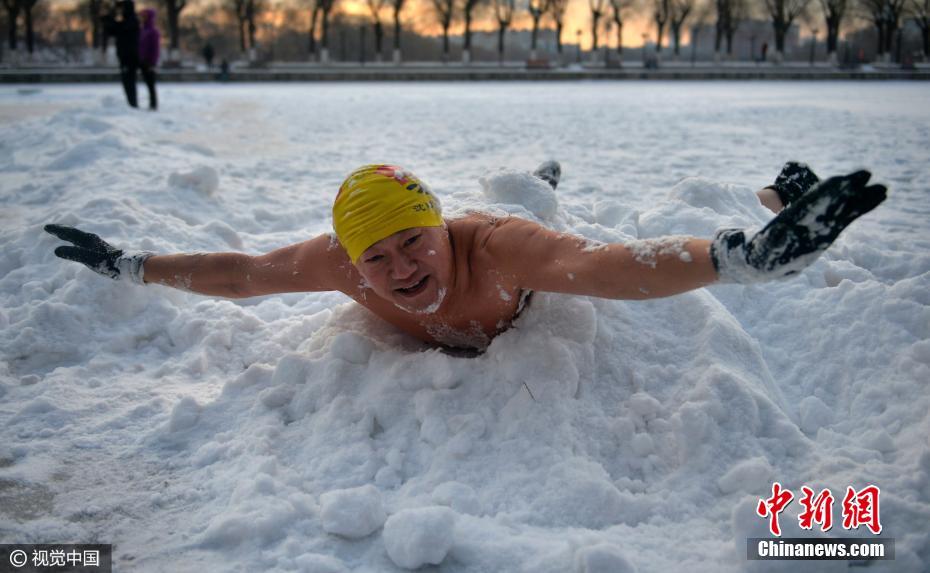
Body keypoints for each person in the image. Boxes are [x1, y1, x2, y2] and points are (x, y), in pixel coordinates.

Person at [44, 162, 886, 352]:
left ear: (438, 230)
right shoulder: (340, 261)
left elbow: (601, 268)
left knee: (561, 215)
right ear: (351, 261)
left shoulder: (493, 249)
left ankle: (772, 199)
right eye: (378, 259)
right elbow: (243, 273)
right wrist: (132, 264)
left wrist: (738, 259)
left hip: (529, 232)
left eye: (413, 241)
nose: (402, 268)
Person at [104, 0, 141, 108]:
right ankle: (131, 103)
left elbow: (118, 29)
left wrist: (111, 16)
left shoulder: (132, 21)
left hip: (129, 57)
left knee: (129, 81)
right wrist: (109, 16)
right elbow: (112, 30)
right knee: (127, 81)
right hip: (125, 56)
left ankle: (133, 104)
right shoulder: (127, 20)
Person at [138, 7, 160, 111]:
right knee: (147, 83)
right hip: (142, 61)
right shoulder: (142, 30)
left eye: (144, 16)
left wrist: (153, 63)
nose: (142, 18)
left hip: (149, 62)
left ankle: (153, 104)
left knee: (151, 84)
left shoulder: (153, 32)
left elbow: (155, 49)